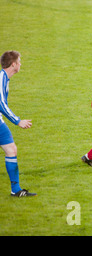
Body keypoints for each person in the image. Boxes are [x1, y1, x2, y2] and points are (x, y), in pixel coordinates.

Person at [0, 51, 35, 197]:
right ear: (13, 64)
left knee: (11, 150)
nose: (20, 64)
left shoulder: (5, 78)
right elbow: (1, 103)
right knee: (11, 150)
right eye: (19, 61)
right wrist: (17, 121)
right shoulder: (1, 77)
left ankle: (16, 190)